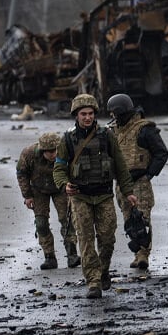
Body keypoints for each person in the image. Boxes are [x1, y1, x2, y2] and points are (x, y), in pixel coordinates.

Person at [53, 93, 137, 299]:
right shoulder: (68, 139)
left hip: (104, 196)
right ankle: (93, 281)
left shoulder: (107, 136)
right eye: (83, 114)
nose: (87, 117)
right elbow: (59, 168)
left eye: (90, 113)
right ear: (76, 115)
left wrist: (128, 192)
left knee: (107, 239)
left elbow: (120, 166)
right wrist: (64, 185)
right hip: (80, 197)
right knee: (86, 240)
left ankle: (103, 269)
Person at [107, 93, 168, 269]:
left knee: (142, 219)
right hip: (122, 184)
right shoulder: (114, 130)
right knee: (129, 220)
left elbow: (161, 153)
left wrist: (149, 174)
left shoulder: (144, 129)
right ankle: (137, 254)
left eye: (114, 113)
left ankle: (143, 254)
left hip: (140, 182)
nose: (113, 117)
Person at [16, 132, 79, 270]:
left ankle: (72, 253)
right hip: (38, 189)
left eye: (55, 150)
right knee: (41, 223)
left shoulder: (66, 152)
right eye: (50, 152)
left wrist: (73, 188)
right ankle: (49, 256)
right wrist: (27, 196)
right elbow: (22, 174)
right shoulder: (29, 154)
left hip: (61, 188)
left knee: (67, 220)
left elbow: (75, 170)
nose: (53, 154)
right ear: (42, 150)